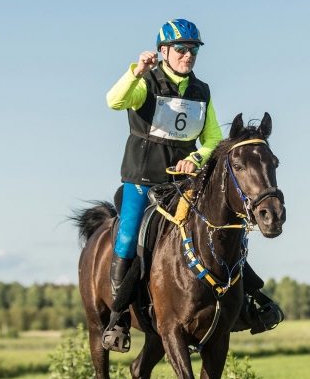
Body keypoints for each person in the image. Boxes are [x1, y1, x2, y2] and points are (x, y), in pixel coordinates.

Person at [103, 19, 282, 350]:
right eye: (182, 49)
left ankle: (248, 303)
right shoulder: (146, 82)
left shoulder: (201, 90)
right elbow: (114, 101)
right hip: (143, 178)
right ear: (164, 52)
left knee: (219, 229)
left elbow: (213, 136)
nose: (189, 55)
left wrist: (197, 160)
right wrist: (136, 71)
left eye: (194, 50)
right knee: (129, 236)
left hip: (184, 180)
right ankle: (118, 318)